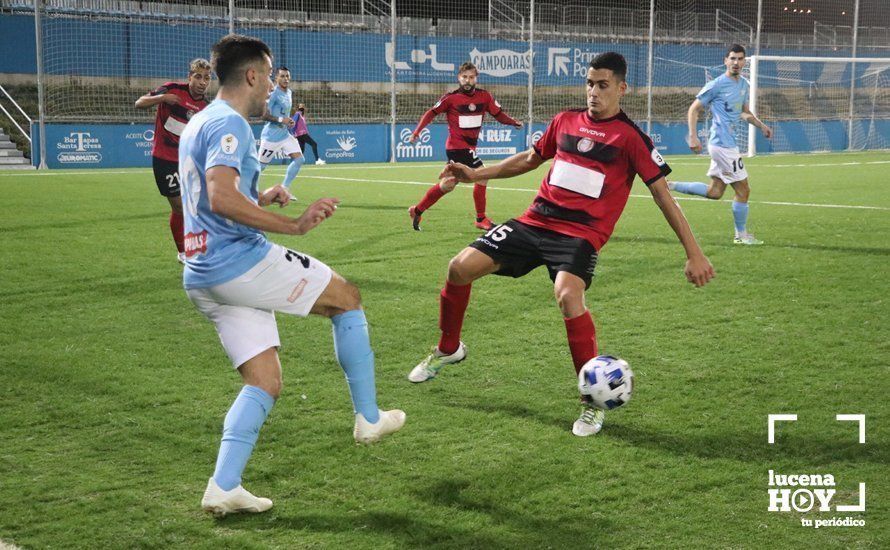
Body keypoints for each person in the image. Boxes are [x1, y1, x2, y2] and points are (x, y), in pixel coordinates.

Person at [407, 52, 715, 437]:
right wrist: (474, 174)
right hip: (534, 221)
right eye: (589, 83)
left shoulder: (631, 138)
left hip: (579, 235)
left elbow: (663, 196)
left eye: (603, 85)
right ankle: (449, 348)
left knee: (568, 296)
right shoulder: (565, 121)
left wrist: (694, 252)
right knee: (459, 267)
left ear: (622, 88)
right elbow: (528, 160)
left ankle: (591, 403)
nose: (593, 92)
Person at [179, 34, 405, 516]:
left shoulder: (200, 121)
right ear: (253, 75)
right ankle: (368, 418)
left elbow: (207, 199)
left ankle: (223, 485)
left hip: (202, 273)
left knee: (264, 381)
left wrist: (261, 198)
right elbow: (219, 196)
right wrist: (294, 225)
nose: (271, 90)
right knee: (346, 296)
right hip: (236, 262)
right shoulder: (231, 123)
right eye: (269, 74)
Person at [669, 44, 773, 245]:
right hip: (722, 145)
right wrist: (692, 136)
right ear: (726, 60)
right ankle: (741, 236)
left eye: (740, 59)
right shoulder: (716, 84)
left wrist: (761, 125)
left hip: (728, 144)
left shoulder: (743, 85)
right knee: (743, 190)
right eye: (732, 58)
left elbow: (743, 112)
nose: (736, 63)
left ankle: (671, 185)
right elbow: (694, 109)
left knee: (715, 192)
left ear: (744, 62)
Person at [407, 62, 522, 231]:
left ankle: (417, 210)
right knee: (482, 174)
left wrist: (513, 122)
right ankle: (481, 219)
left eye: (471, 77)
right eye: (464, 77)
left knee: (448, 184)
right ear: (459, 78)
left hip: (468, 148)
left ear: (476, 78)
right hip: (456, 147)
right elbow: (431, 113)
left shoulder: (485, 97)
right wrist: (416, 132)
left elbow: (498, 114)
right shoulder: (450, 98)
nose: (468, 80)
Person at [135, 58, 211, 263]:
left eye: (207, 78)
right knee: (179, 207)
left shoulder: (206, 107)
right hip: (165, 159)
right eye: (198, 77)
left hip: (188, 162)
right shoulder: (173, 89)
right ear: (190, 77)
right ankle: (183, 252)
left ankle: (198, 246)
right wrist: (162, 98)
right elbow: (139, 103)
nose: (203, 82)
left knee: (197, 206)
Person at [258, 66, 305, 192]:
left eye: (287, 76)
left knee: (299, 159)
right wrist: (281, 120)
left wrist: (288, 121)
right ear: (276, 77)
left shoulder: (289, 92)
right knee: (260, 167)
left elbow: (284, 114)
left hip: (284, 135)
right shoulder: (272, 94)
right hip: (271, 137)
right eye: (282, 76)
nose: (285, 79)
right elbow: (264, 115)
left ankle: (284, 189)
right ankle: (248, 192)